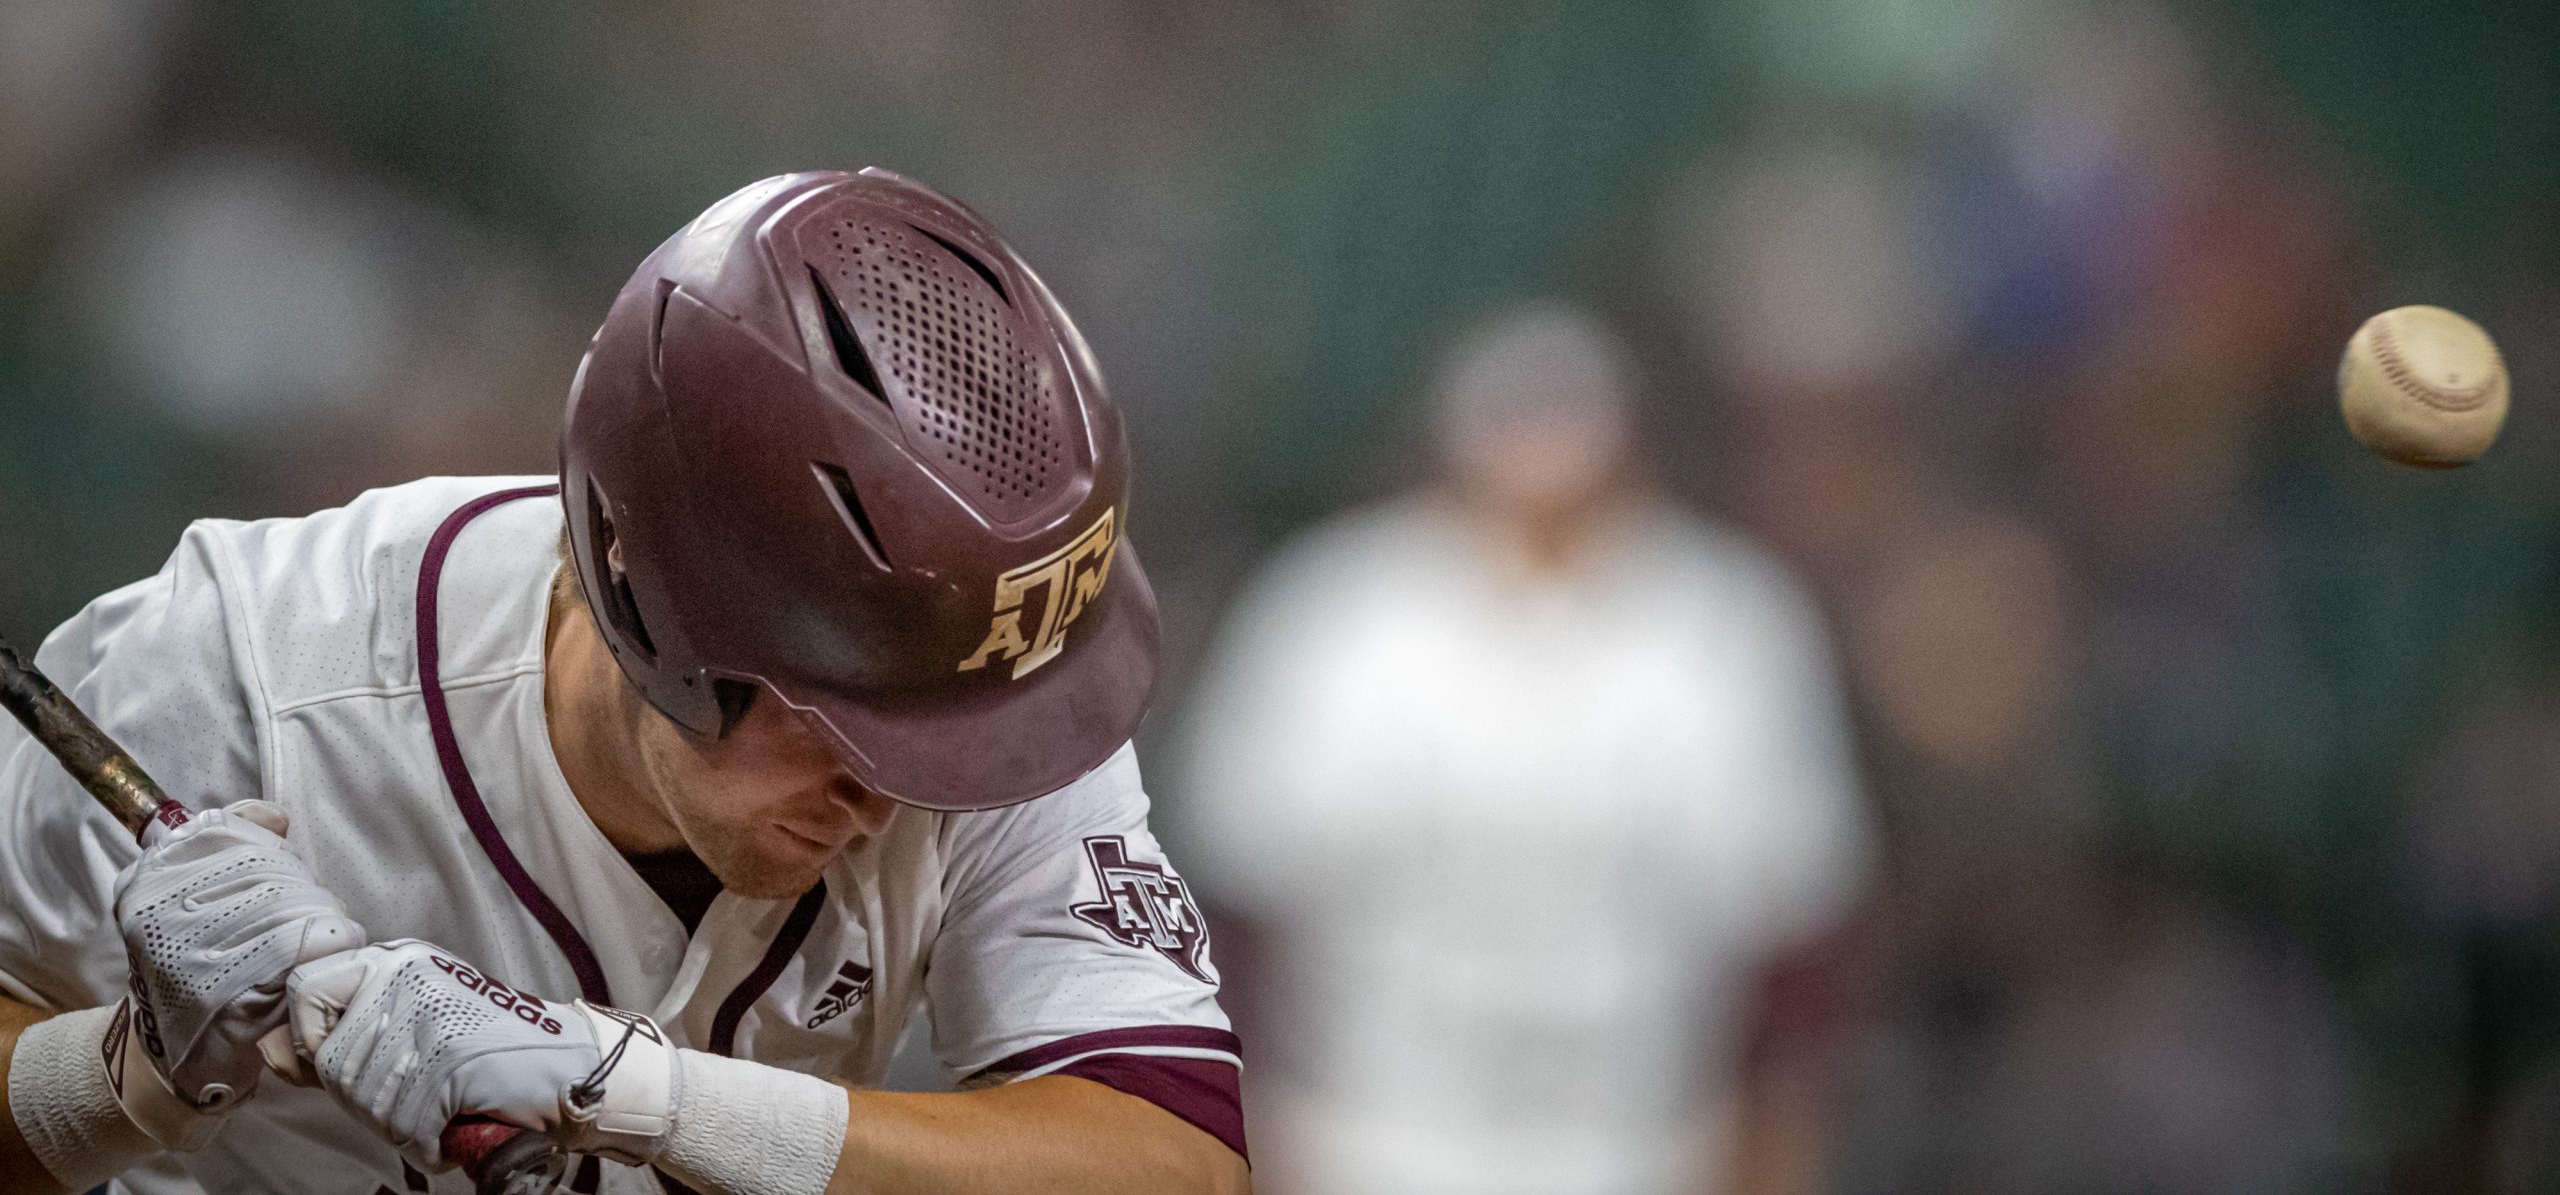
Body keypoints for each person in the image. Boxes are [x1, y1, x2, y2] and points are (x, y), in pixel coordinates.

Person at [0, 170, 1249, 1195]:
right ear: (651, 605)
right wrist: (124, 1074)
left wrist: (629, 1087)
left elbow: (1172, 1164)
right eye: (850, 732)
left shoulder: (992, 685)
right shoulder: (239, 676)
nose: (902, 794)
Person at [1174, 305, 1868, 1195]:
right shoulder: (1336, 614)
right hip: (1363, 1141)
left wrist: (1769, 1162)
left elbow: (1796, 955)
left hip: (1641, 1152)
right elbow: (1229, 922)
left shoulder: (1727, 623)